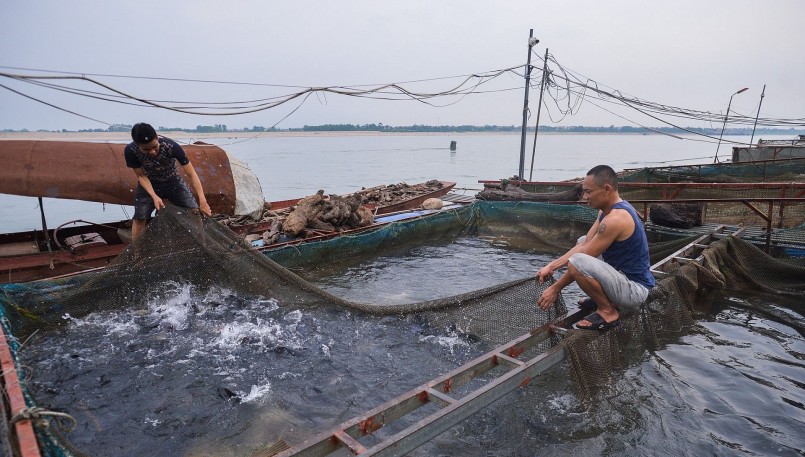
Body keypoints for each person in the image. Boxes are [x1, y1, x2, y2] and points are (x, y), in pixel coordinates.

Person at [536, 165, 655, 330]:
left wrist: (555, 289)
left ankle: (607, 310)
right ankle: (606, 299)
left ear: (607, 189)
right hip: (622, 278)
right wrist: (551, 266)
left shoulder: (615, 219)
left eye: (589, 192)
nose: (585, 197)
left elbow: (582, 259)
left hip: (634, 290)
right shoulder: (606, 212)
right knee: (582, 240)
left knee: (578, 261)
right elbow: (585, 245)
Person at [124, 123, 212, 239]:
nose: (152, 152)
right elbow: (141, 176)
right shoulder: (131, 150)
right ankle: (137, 254)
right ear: (137, 145)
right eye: (146, 149)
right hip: (149, 183)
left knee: (194, 211)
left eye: (155, 147)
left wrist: (203, 201)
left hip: (173, 180)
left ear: (157, 138)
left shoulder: (171, 146)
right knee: (140, 217)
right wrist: (154, 196)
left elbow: (191, 174)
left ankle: (202, 244)